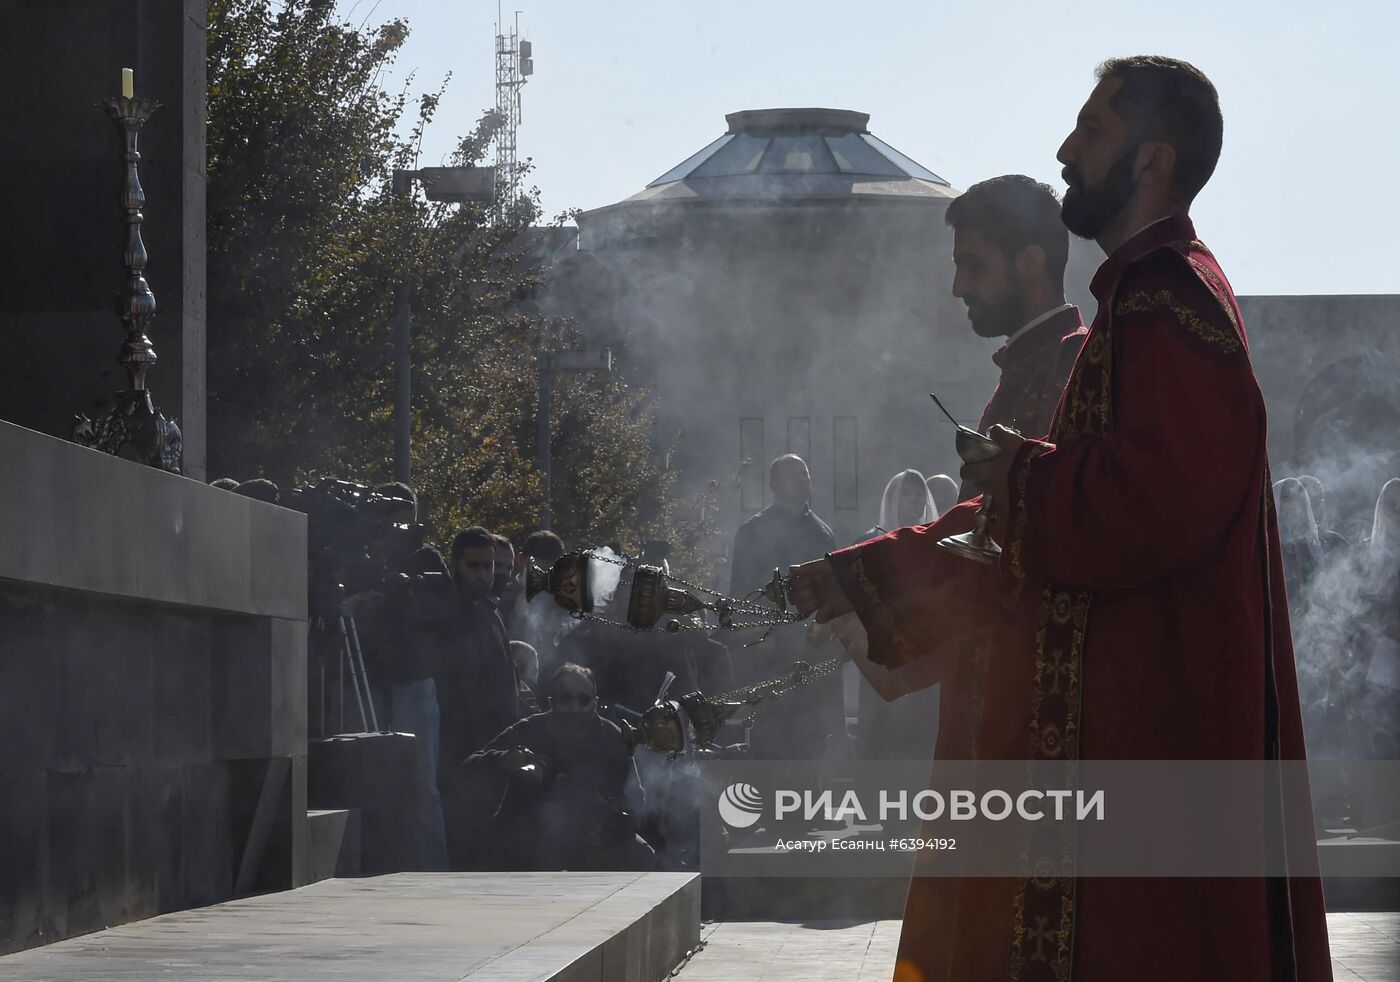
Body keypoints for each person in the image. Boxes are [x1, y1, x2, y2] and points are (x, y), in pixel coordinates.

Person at [790, 56, 1330, 981]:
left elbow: (1150, 506)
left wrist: (1018, 480)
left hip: (1144, 741)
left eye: (1092, 131)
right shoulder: (1139, 300)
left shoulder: (1171, 300)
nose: (1066, 150)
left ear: (1152, 162)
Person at [464, 663, 654, 871]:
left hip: (592, 835)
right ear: (551, 701)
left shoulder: (613, 738)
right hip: (531, 831)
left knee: (641, 855)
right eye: (565, 699)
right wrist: (503, 759)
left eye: (583, 700)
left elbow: (636, 800)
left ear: (594, 702)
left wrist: (617, 828)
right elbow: (471, 765)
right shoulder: (529, 730)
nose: (574, 707)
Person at [949, 174, 1089, 448]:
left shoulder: (1074, 362)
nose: (958, 287)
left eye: (974, 265)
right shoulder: (1023, 362)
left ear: (1030, 263)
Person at [729, 455, 840, 760]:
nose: (803, 479)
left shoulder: (822, 533)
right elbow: (742, 593)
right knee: (771, 737)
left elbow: (833, 592)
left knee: (813, 740)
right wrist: (760, 636)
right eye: (794, 474)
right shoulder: (753, 531)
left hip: (811, 650)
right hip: (771, 653)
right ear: (774, 483)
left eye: (805, 473)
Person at [437, 526, 525, 869]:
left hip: (497, 737)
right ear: (456, 564)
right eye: (474, 566)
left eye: (489, 566)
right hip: (462, 747)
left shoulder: (491, 609)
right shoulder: (447, 613)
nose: (484, 574)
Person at [859, 469, 937, 544]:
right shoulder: (870, 541)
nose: (914, 499)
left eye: (919, 494)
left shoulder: (931, 540)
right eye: (906, 494)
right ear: (893, 500)